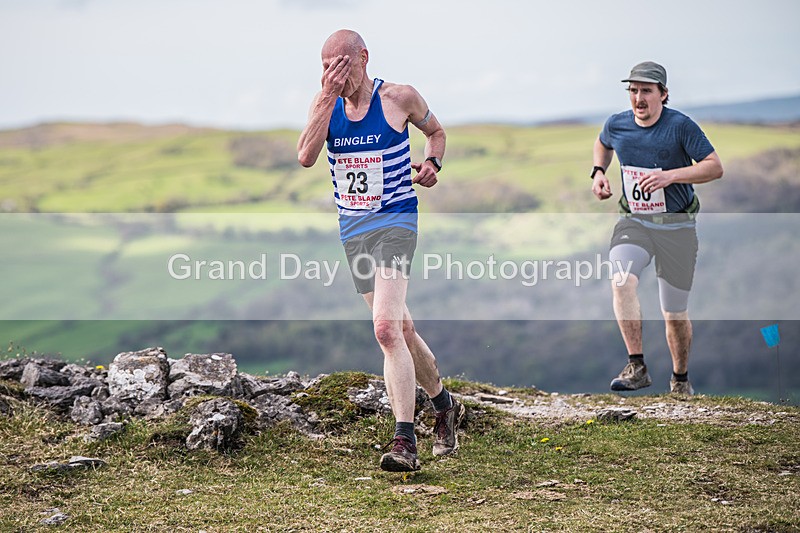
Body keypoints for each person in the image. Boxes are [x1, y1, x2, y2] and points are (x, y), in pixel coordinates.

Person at [297, 29, 464, 472]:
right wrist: (325, 98)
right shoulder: (324, 105)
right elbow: (305, 156)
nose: (334, 74)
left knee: (386, 329)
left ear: (363, 58)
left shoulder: (398, 97)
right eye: (326, 66)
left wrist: (433, 163)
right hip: (354, 231)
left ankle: (404, 442)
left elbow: (436, 132)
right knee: (402, 330)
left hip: (395, 223)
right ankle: (444, 406)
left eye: (341, 64)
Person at [591, 61, 723, 395]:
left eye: (646, 91)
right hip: (634, 221)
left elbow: (714, 167)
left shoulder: (680, 126)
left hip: (677, 227)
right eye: (633, 90)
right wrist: (598, 172)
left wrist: (670, 176)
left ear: (663, 94)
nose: (639, 98)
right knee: (621, 280)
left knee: (674, 312)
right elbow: (603, 143)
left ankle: (680, 379)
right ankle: (636, 366)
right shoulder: (617, 124)